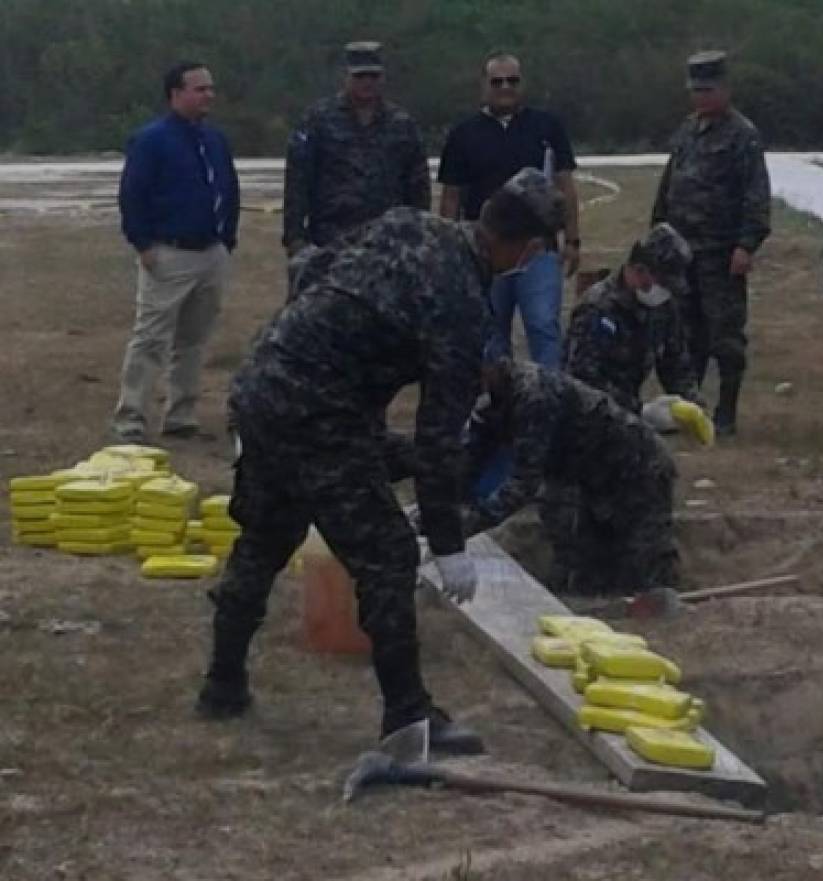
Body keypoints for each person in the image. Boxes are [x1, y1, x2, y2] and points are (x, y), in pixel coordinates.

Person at [195, 169, 566, 756]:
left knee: (267, 534)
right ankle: (407, 717)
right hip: (320, 413)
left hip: (264, 383)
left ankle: (223, 683)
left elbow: (311, 270)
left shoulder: (408, 224)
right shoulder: (463, 305)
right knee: (389, 555)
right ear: (530, 249)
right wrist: (448, 545)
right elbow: (440, 436)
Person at [461, 358, 679, 598]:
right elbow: (470, 460)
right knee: (583, 569)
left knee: (645, 567)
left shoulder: (536, 395)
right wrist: (437, 508)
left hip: (636, 467)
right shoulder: (489, 401)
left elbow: (524, 482)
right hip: (583, 473)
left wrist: (471, 522)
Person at [112, 61, 239, 443]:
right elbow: (132, 194)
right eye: (200, 89)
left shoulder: (214, 139)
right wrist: (143, 244)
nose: (208, 96)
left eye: (210, 88)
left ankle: (181, 415)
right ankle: (131, 417)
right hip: (169, 253)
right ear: (176, 94)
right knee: (151, 338)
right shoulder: (151, 140)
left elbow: (229, 188)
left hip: (211, 254)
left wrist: (226, 240)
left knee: (193, 340)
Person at [651, 50, 771, 436]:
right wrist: (658, 234)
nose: (700, 98)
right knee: (686, 334)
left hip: (721, 253)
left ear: (724, 89)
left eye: (708, 90)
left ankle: (728, 411)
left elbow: (756, 196)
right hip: (683, 252)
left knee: (726, 335)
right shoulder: (687, 131)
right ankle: (691, 405)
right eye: (695, 90)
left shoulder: (742, 135)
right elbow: (669, 185)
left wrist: (746, 245)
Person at [437, 51, 581, 368]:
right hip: (484, 254)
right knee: (489, 336)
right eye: (497, 81)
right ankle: (496, 408)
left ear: (522, 83)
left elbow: (565, 185)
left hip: (538, 251)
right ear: (484, 85)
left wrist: (572, 240)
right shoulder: (462, 134)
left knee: (544, 328)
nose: (505, 87)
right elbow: (451, 198)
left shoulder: (548, 127)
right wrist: (447, 251)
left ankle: (551, 401)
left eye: (512, 81)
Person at [282, 41, 431, 257]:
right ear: (346, 76)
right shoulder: (318, 121)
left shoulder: (403, 124)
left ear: (383, 78)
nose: (367, 83)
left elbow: (418, 187)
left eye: (373, 76)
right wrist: (295, 239)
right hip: (331, 242)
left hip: (388, 245)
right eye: (360, 76)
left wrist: (418, 237)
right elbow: (297, 182)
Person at [564, 223, 701, 414]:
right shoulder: (597, 309)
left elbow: (675, 361)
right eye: (662, 282)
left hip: (625, 413)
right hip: (588, 416)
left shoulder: (663, 307)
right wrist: (640, 411)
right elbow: (584, 381)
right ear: (639, 270)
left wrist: (692, 406)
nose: (664, 291)